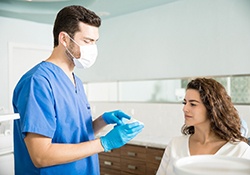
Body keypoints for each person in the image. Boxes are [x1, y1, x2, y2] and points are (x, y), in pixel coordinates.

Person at [12, 5, 144, 175]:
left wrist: (102, 121)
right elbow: (40, 156)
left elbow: (74, 134)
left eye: (95, 42)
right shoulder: (38, 82)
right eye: (87, 41)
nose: (93, 48)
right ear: (64, 39)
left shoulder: (77, 82)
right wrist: (103, 143)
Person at [157, 77, 250, 175]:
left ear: (212, 108)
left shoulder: (240, 150)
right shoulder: (175, 145)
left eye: (192, 104)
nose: (185, 108)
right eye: (185, 103)